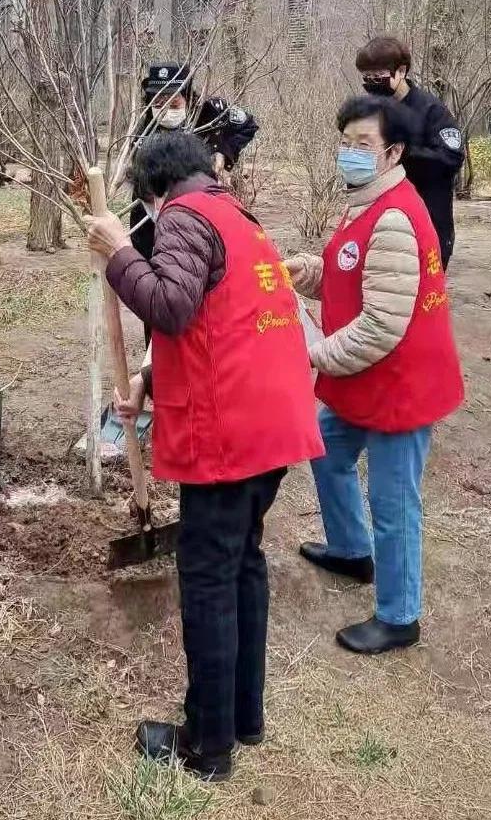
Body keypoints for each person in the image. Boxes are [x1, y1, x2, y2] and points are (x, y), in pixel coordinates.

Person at [86, 131, 323, 781]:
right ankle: (242, 717)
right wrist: (150, 382)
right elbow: (224, 321)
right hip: (273, 424)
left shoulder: (184, 216)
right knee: (242, 564)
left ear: (154, 190)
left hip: (232, 434)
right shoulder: (238, 218)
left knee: (210, 581)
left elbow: (172, 304)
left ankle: (206, 746)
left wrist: (118, 252)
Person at [287, 95, 464, 655]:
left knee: (394, 502)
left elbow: (382, 325)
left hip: (400, 386)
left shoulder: (393, 217)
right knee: (326, 449)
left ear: (392, 152)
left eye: (362, 144)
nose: (349, 153)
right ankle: (350, 552)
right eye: (345, 142)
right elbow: (353, 274)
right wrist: (309, 272)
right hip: (366, 377)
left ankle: (399, 614)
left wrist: (311, 355)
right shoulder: (365, 201)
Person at [127, 64, 259, 342]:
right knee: (157, 295)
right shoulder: (143, 129)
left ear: (187, 95)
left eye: (173, 100)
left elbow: (248, 124)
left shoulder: (209, 113)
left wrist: (224, 153)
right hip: (153, 224)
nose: (165, 107)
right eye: (158, 101)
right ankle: (156, 362)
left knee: (203, 293)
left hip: (202, 219)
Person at [356, 35, 464, 268]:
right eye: (367, 78)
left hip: (427, 222)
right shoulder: (372, 110)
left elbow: (452, 158)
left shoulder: (432, 111)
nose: (372, 83)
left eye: (379, 77)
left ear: (401, 71)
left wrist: (402, 154)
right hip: (381, 223)